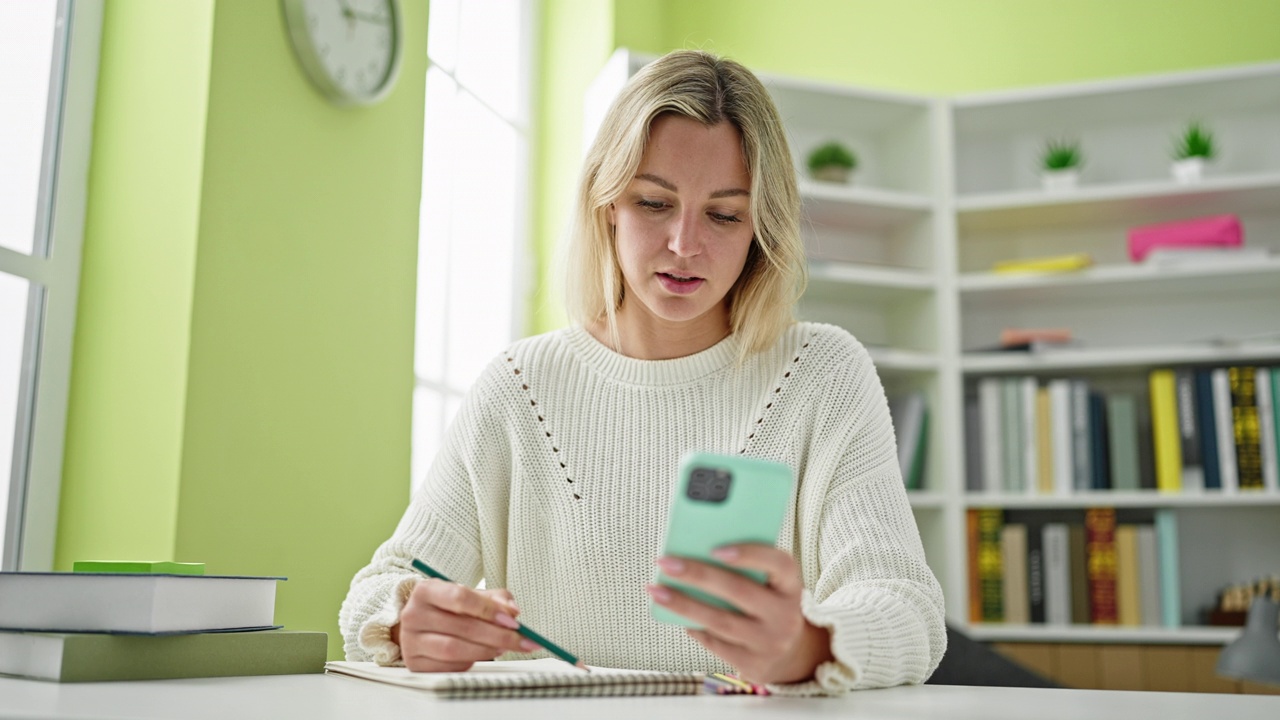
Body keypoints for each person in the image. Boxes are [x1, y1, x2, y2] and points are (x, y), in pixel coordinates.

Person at [339, 49, 946, 695]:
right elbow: (376, 592)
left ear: (761, 228)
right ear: (607, 203)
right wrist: (405, 623)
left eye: (724, 214)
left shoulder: (822, 372)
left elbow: (907, 605)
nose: (685, 243)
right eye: (654, 203)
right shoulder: (519, 386)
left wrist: (808, 646)